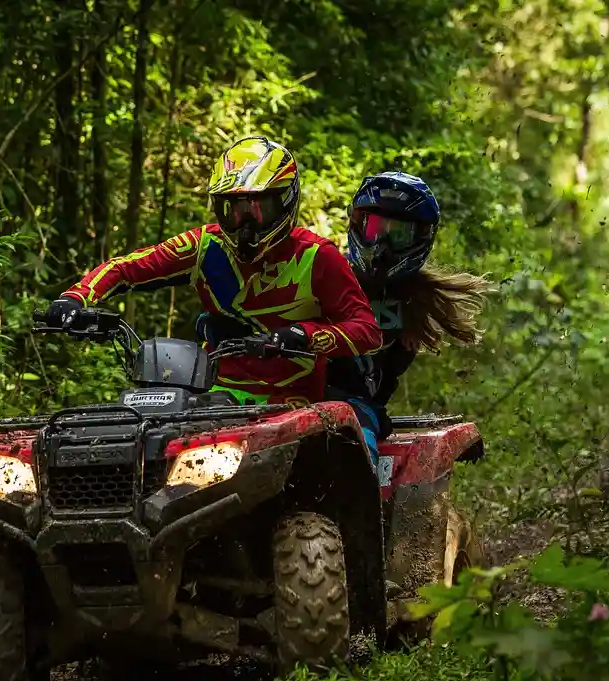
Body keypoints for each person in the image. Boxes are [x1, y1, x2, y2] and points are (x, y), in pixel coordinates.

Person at [44, 135, 383, 452]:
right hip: (210, 394)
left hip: (292, 402)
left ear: (285, 201)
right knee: (145, 441)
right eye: (231, 211)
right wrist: (74, 299)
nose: (243, 225)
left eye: (255, 209)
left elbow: (366, 330)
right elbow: (125, 267)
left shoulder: (316, 256)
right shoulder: (204, 246)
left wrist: (303, 335)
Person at [326, 171, 491, 441]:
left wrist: (371, 405)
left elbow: (385, 377)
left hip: (355, 414)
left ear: (420, 238)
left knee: (359, 446)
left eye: (398, 235)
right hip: (297, 398)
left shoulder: (415, 300)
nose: (383, 245)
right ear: (358, 224)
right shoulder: (325, 274)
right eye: (375, 229)